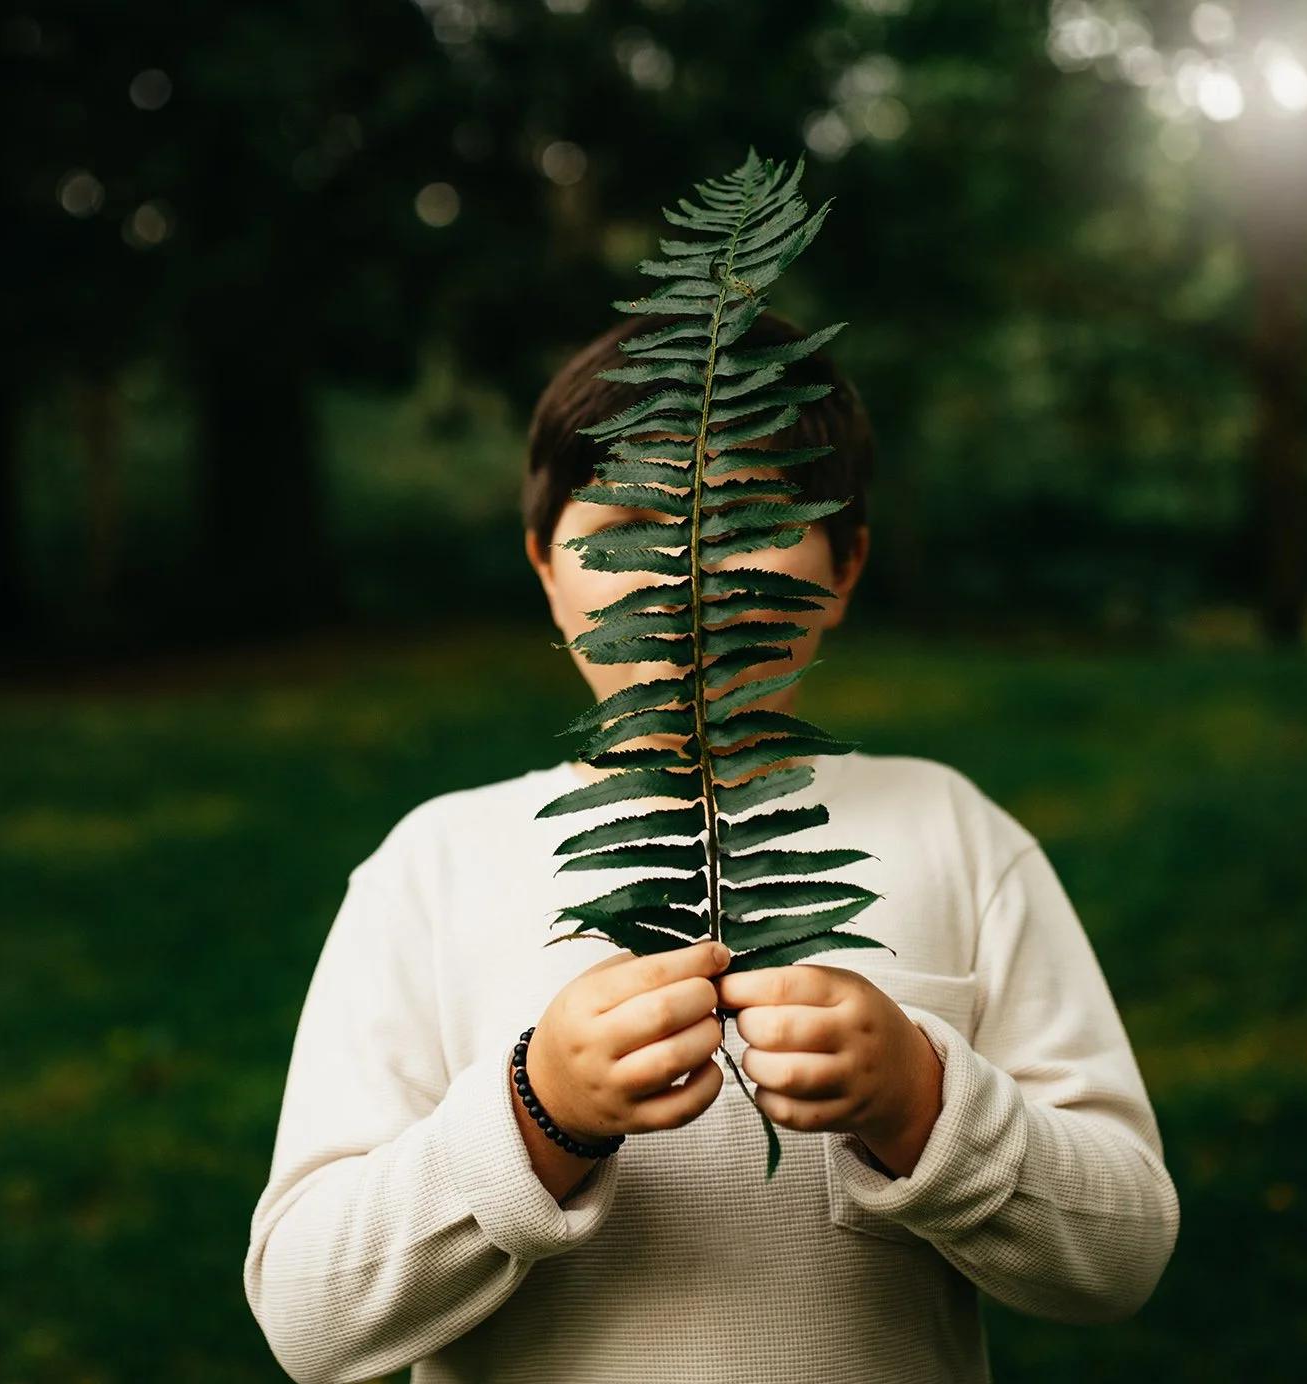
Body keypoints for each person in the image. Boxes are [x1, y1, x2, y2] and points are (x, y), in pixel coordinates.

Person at [243, 314, 1180, 1384]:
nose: (683, 568)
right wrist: (534, 1112)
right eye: (629, 518)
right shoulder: (434, 867)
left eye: (745, 520)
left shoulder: (951, 835)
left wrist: (919, 1099)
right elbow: (311, 1320)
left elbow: (1119, 1254)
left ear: (844, 567)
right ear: (545, 563)